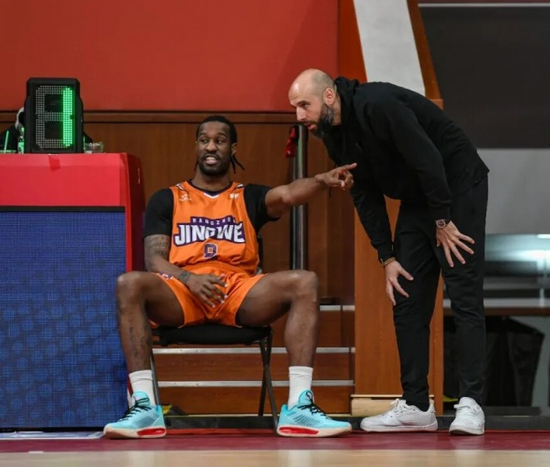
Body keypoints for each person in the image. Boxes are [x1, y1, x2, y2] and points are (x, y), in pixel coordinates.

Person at [103, 115, 355, 439]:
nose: (211, 146)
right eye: (204, 140)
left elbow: (288, 195)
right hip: (183, 292)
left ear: (232, 148)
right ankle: (144, 407)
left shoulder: (247, 197)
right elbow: (154, 260)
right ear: (196, 146)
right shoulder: (167, 198)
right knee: (129, 283)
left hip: (238, 292)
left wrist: (321, 180)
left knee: (305, 281)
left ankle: (300, 407)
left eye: (220, 140)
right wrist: (189, 279)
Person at [288, 70, 490, 435]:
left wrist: (443, 220)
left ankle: (471, 403)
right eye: (295, 108)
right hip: (419, 195)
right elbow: (364, 193)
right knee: (406, 295)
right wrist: (387, 256)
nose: (299, 115)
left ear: (329, 97)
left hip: (456, 184)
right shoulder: (332, 133)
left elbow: (427, 158)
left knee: (464, 294)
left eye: (304, 105)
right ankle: (416, 405)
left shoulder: (378, 105)